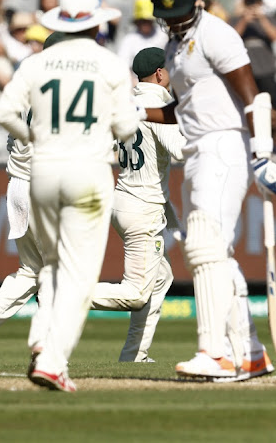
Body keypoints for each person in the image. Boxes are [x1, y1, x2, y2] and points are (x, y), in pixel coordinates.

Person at [0, 0, 140, 392]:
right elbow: (127, 129)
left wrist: (35, 138)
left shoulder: (36, 64)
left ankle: (42, 340)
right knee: (78, 273)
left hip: (42, 173)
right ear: (95, 24)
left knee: (53, 265)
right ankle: (53, 361)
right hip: (87, 173)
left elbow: (3, 112)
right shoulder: (107, 63)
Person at [146, 0, 276, 381]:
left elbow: (252, 95)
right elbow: (182, 106)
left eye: (179, 14)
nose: (172, 22)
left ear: (200, 1)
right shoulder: (174, 46)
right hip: (194, 150)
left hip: (224, 145)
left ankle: (216, 353)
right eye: (166, 16)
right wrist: (138, 112)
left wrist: (263, 154)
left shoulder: (217, 33)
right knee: (214, 254)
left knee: (206, 246)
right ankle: (251, 352)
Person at [0, 31, 67, 366]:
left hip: (18, 186)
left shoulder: (22, 88)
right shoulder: (61, 92)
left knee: (30, 269)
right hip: (43, 185)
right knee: (56, 268)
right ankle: (45, 347)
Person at [88, 47, 184, 362]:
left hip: (125, 197)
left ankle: (134, 354)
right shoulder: (157, 103)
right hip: (142, 208)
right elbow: (180, 150)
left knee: (161, 277)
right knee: (136, 293)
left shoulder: (127, 102)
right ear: (160, 73)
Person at [230, 0, 276, 103]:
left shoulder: (269, 18)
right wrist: (244, 20)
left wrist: (262, 18)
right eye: (249, 0)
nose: (252, 4)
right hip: (245, 72)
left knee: (269, 106)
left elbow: (275, 36)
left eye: (256, 0)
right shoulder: (235, 19)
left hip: (266, 70)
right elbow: (231, 38)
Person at [117, 0, 169, 81]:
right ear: (136, 21)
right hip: (138, 87)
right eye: (142, 20)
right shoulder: (129, 40)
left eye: (148, 20)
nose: (145, 24)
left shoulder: (163, 35)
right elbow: (122, 67)